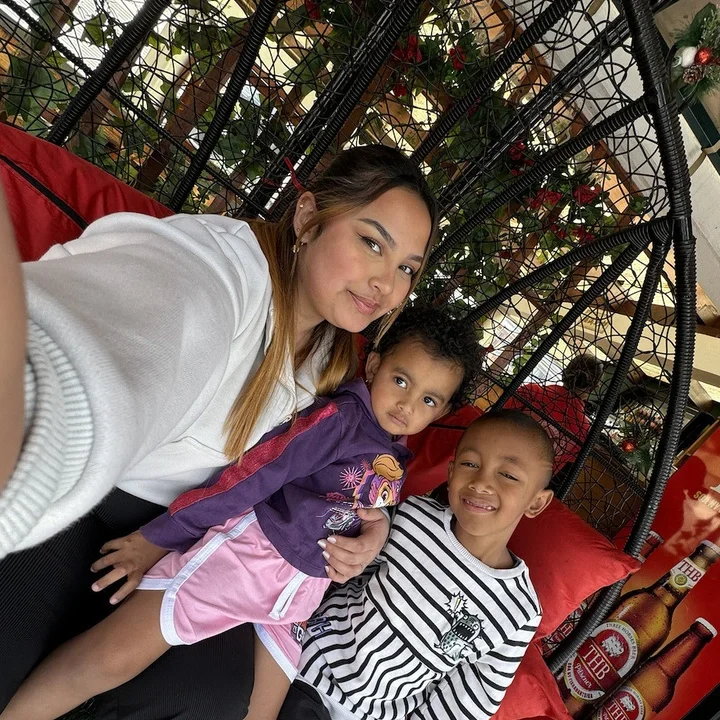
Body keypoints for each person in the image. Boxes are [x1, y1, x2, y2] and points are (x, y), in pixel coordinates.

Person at [0, 145, 438, 719]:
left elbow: (300, 477)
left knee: (220, 697)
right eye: (372, 243)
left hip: (192, 536)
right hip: (89, 504)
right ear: (309, 218)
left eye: (407, 268)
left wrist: (366, 532)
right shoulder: (215, 272)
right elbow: (98, 347)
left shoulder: (336, 360)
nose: (385, 282)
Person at [0, 305, 482, 720]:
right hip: (247, 558)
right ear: (374, 365)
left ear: (440, 412)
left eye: (428, 399)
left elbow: (362, 506)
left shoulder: (392, 449)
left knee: (260, 712)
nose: (407, 404)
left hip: (298, 595)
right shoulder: (339, 421)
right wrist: (163, 535)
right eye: (401, 380)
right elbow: (253, 475)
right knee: (114, 656)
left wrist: (378, 529)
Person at [279, 410, 555, 720]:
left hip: (366, 714)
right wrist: (373, 531)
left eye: (508, 475)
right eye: (470, 464)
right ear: (451, 473)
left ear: (536, 502)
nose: (481, 483)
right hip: (305, 658)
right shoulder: (413, 516)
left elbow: (469, 701)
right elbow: (349, 553)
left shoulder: (519, 611)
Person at [505, 353, 603, 473]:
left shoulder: (530, 392)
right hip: (528, 482)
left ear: (566, 372)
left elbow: (495, 421)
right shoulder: (585, 431)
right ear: (595, 387)